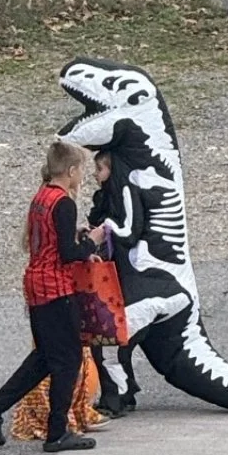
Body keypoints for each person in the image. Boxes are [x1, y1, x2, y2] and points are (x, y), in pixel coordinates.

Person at [0, 140, 106, 453]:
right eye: (81, 171)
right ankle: (57, 431)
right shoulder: (64, 202)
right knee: (68, 358)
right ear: (72, 171)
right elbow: (67, 252)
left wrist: (77, 239)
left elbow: (51, 240)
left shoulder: (41, 197)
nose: (81, 177)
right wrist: (92, 242)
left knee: (45, 357)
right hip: (55, 289)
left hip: (35, 285)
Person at [87, 149, 139, 416]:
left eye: (100, 170)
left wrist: (105, 227)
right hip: (113, 275)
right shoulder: (107, 198)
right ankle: (122, 390)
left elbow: (128, 234)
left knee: (107, 340)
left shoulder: (119, 199)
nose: (96, 175)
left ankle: (116, 395)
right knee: (110, 340)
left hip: (115, 278)